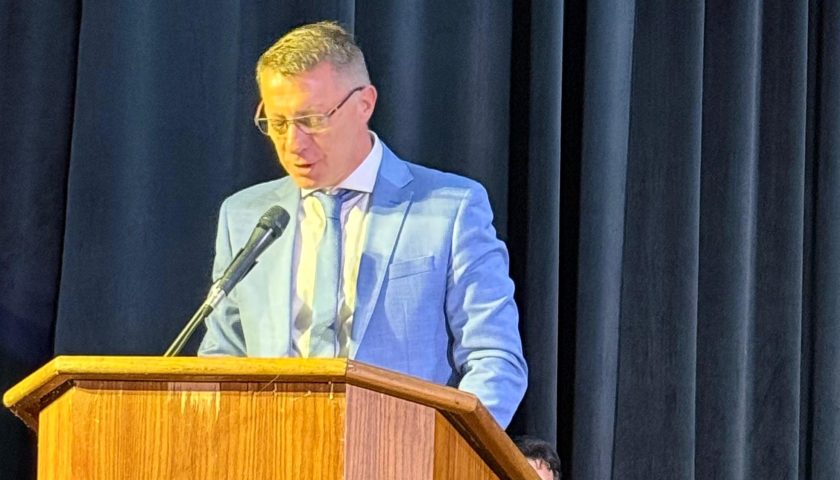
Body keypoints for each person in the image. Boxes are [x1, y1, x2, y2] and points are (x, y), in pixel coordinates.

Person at [198, 21, 527, 427]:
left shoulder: (450, 209)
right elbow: (224, 357)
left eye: (312, 120)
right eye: (278, 123)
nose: (293, 143)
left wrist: (440, 448)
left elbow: (495, 358)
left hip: (402, 450)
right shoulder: (245, 215)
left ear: (365, 104)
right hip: (273, 446)